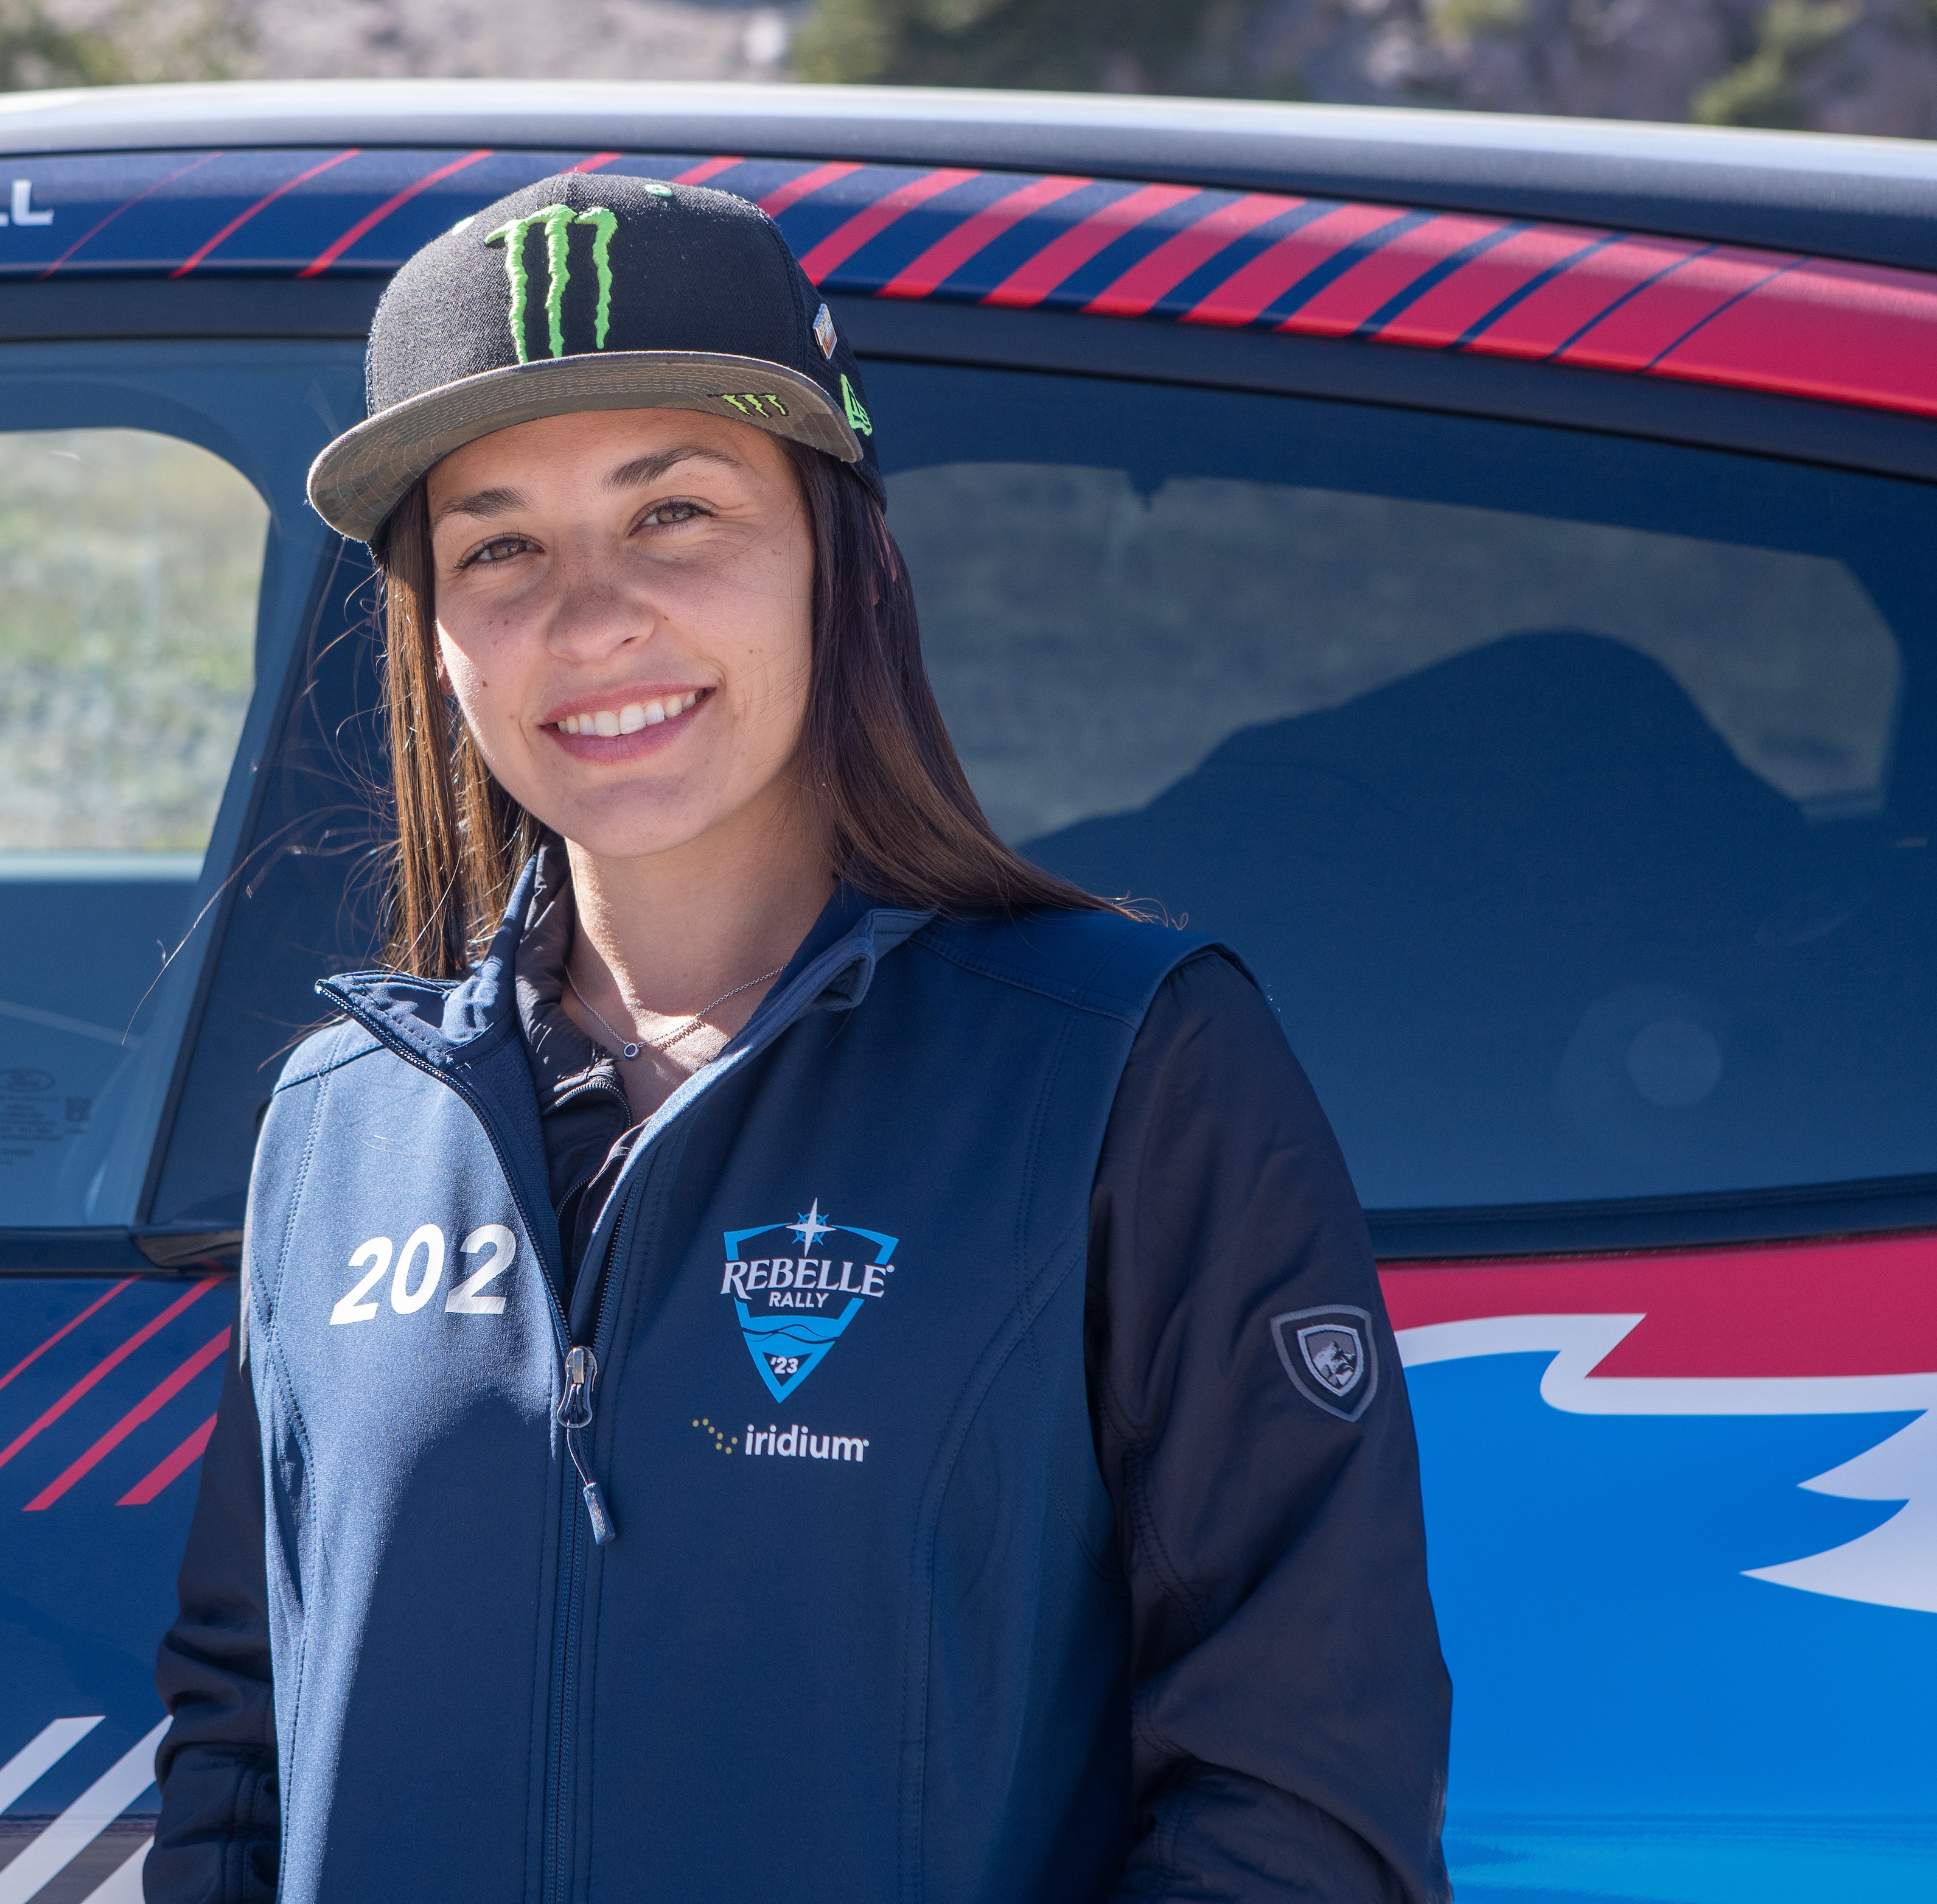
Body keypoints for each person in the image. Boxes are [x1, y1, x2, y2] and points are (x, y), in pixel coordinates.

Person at [149, 172, 1450, 1904]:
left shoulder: (1128, 1071)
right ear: (434, 634)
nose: (591, 616)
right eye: (500, 547)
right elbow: (245, 1748)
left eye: (674, 512)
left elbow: (1303, 1810)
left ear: (843, 550)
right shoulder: (343, 1121)